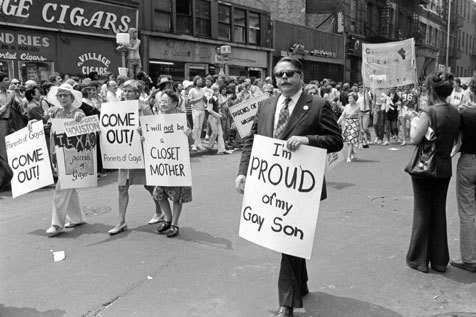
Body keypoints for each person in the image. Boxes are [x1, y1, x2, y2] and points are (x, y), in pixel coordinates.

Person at [235, 57, 343, 317]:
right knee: (290, 240)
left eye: (289, 73)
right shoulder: (266, 105)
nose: (284, 78)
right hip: (271, 185)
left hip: (301, 188)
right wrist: (242, 173)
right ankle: (301, 284)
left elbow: (336, 140)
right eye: (279, 74)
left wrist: (307, 139)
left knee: (288, 238)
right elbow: (252, 140)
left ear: (300, 76)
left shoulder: (318, 105)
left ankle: (288, 302)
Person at [406, 71, 461, 273]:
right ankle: (439, 260)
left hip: (424, 166)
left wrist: (413, 123)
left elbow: (414, 138)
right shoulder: (456, 113)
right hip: (444, 166)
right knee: (439, 211)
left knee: (422, 211)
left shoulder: (429, 111)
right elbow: (458, 141)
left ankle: (418, 260)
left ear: (432, 90)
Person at [108, 80, 163, 234]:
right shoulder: (117, 107)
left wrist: (143, 133)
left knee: (149, 184)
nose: (126, 94)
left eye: (130, 91)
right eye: (124, 91)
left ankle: (159, 211)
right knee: (122, 186)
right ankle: (121, 221)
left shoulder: (144, 108)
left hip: (141, 152)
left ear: (137, 93)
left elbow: (154, 128)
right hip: (125, 152)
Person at [42, 84, 86, 236]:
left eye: (65, 95)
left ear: (72, 98)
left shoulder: (78, 112)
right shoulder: (56, 112)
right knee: (69, 187)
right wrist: (31, 124)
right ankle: (77, 217)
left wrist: (80, 119)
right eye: (60, 96)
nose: (62, 98)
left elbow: (85, 125)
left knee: (61, 188)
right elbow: (44, 124)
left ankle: (56, 223)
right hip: (58, 153)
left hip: (72, 156)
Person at [153, 90, 193, 238]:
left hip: (177, 161)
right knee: (159, 193)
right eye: (161, 101)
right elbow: (152, 138)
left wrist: (188, 135)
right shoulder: (157, 118)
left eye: (165, 101)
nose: (162, 103)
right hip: (161, 160)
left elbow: (190, 142)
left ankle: (175, 223)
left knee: (177, 195)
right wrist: (143, 135)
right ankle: (167, 219)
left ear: (174, 104)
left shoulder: (181, 118)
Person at [450, 87, 476, 273]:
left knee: (467, 211)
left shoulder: (466, 113)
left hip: (469, 160)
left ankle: (469, 258)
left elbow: (454, 135)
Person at [338, 92, 361, 163]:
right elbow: (343, 115)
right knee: (348, 140)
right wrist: (338, 121)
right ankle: (352, 151)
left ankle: (348, 156)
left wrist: (361, 128)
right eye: (349, 98)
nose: (349, 99)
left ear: (355, 99)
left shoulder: (358, 106)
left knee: (351, 140)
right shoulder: (347, 106)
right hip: (347, 123)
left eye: (351, 98)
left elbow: (360, 117)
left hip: (354, 123)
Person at [188, 75, 207, 151]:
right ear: (195, 81)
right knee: (196, 127)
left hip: (202, 110)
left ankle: (199, 144)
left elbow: (205, 100)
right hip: (195, 110)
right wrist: (200, 98)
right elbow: (190, 101)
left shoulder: (203, 90)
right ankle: (193, 144)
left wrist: (205, 99)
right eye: (198, 80)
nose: (200, 82)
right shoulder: (192, 90)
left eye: (201, 80)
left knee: (200, 128)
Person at [0, 72, 13, 161]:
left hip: (12, 122)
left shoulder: (11, 93)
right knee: (3, 146)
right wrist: (7, 103)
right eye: (6, 80)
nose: (8, 82)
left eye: (8, 79)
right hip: (2, 122)